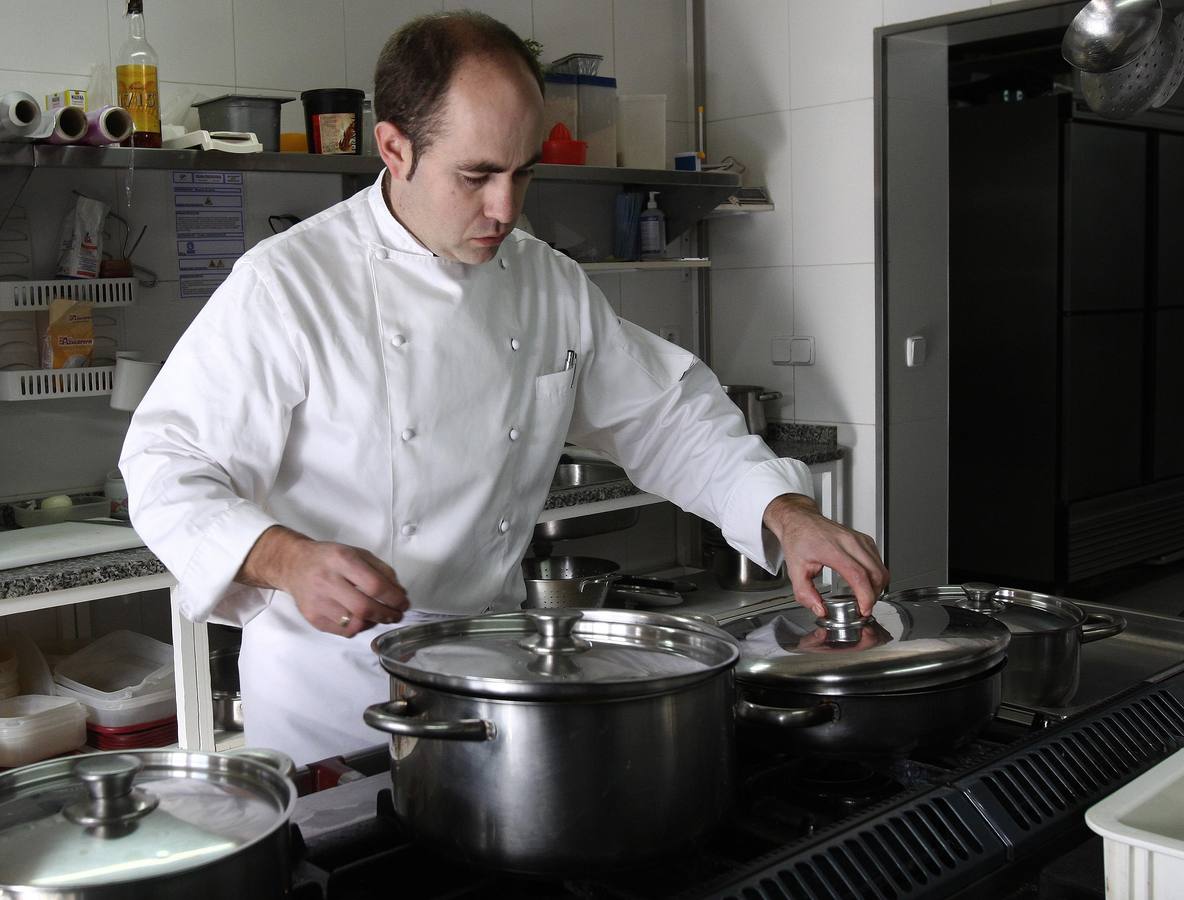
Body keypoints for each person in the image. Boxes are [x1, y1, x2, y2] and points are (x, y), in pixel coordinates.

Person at [120, 11, 888, 765]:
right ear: (393, 148)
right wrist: (284, 558)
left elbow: (665, 419)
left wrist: (783, 514)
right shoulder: (288, 285)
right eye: (476, 175)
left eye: (523, 173)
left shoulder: (548, 282)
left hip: (493, 669)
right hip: (332, 694)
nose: (506, 209)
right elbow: (164, 466)